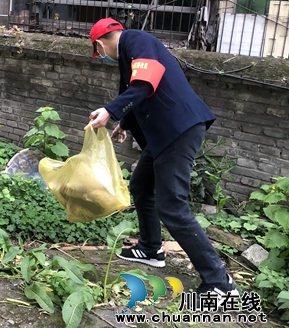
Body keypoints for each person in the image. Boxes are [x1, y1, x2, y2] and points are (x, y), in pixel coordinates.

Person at [87, 18, 238, 302]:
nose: (102, 56)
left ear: (100, 43)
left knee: (172, 205)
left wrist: (110, 111)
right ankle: (150, 249)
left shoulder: (136, 40)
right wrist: (125, 123)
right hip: (164, 136)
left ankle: (221, 283)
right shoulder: (128, 55)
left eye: (99, 51)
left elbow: (145, 84)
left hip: (177, 130)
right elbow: (134, 95)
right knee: (142, 186)